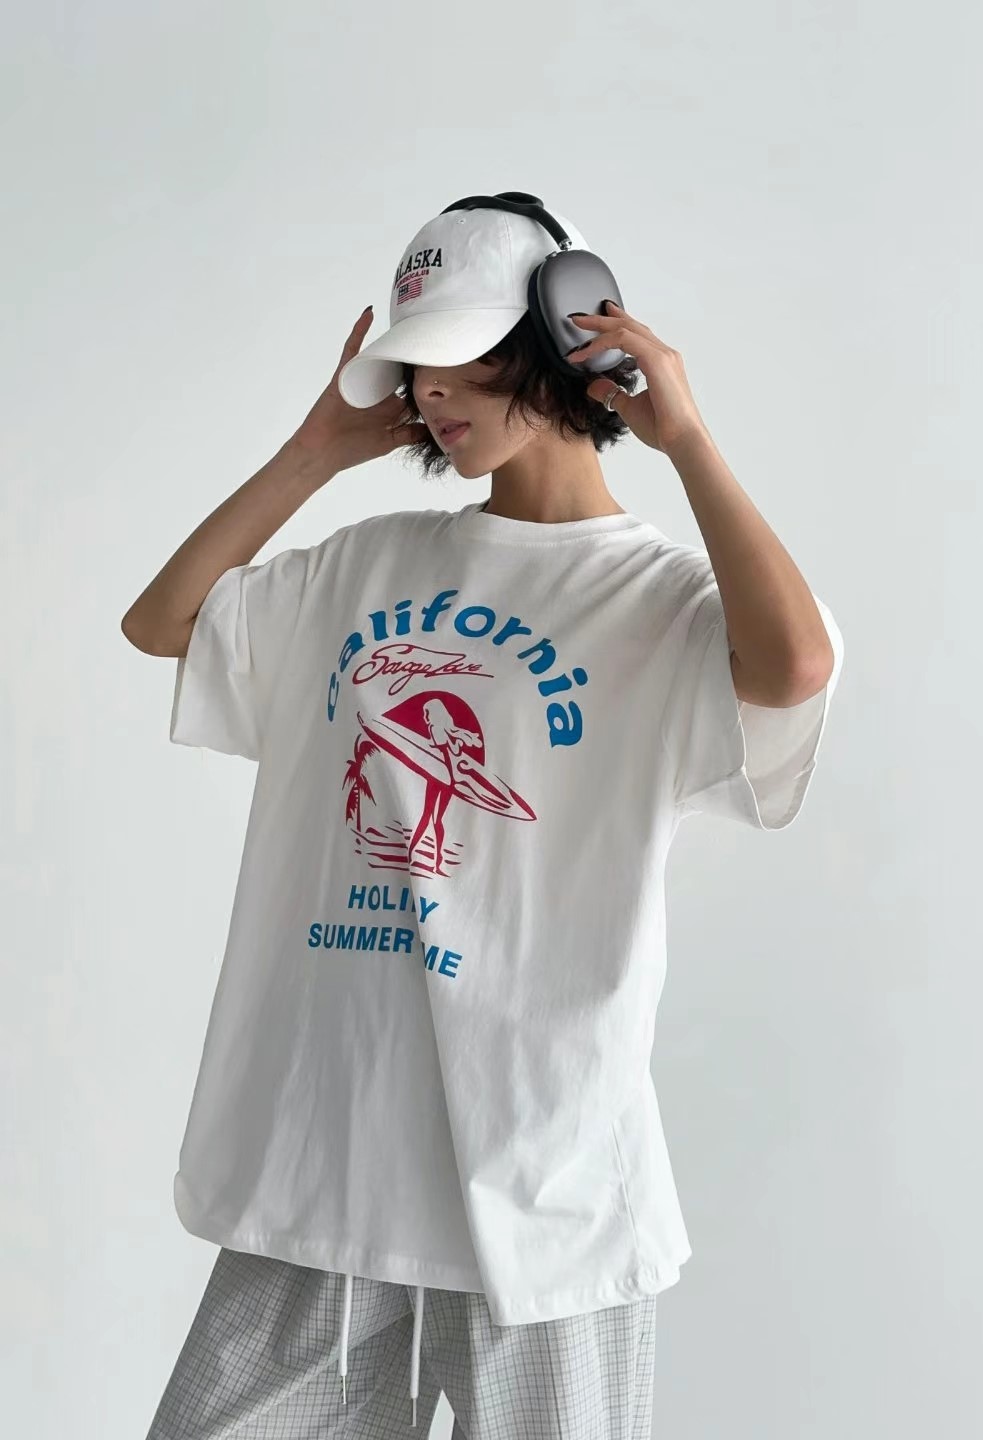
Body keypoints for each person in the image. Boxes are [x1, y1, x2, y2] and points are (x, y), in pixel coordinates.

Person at [122, 201, 844, 1439]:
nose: (432, 392)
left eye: (463, 357)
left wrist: (686, 441)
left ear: (565, 342)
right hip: (326, 1180)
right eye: (416, 366)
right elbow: (164, 624)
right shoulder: (362, 566)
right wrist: (312, 454)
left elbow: (793, 669)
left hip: (546, 1197)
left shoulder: (660, 598)